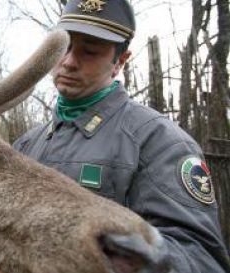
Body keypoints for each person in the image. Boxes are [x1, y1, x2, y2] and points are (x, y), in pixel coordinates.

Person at [12, 0, 230, 272]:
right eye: (64, 47)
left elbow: (201, 259)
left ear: (120, 62)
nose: (68, 62)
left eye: (89, 51)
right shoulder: (25, 144)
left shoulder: (160, 142)